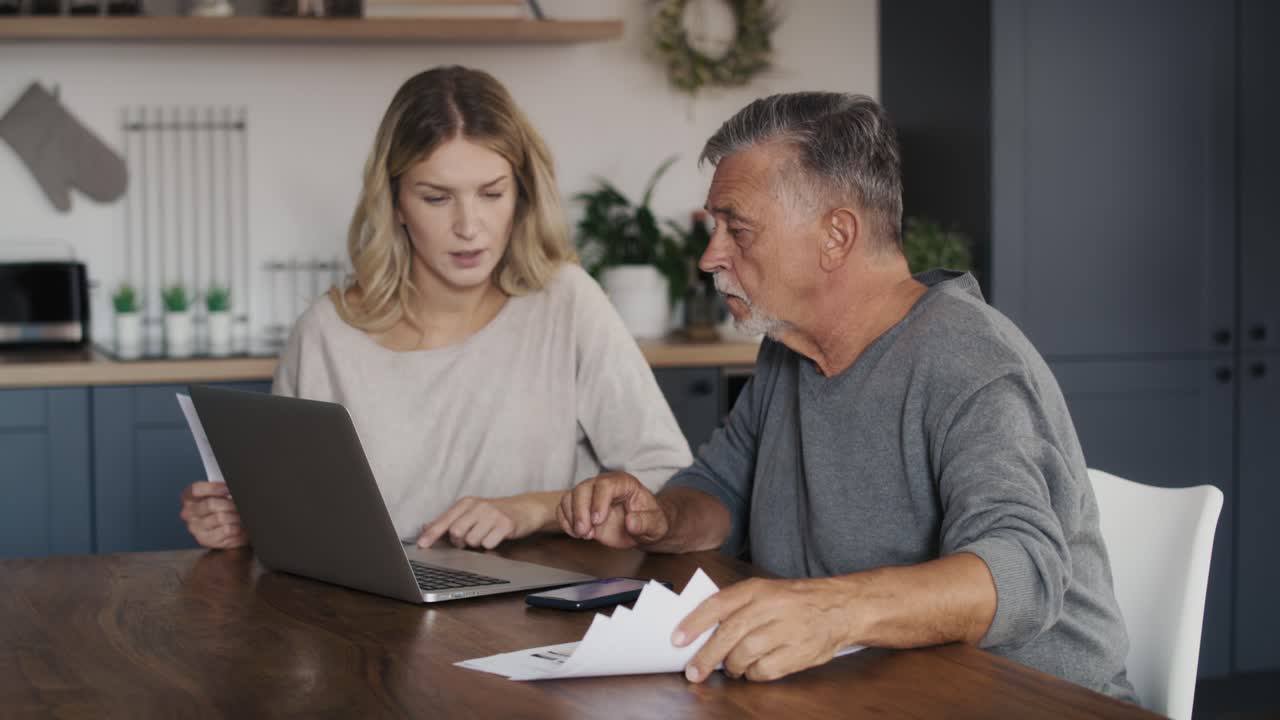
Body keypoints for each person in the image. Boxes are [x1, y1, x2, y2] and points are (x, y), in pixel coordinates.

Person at [558, 92, 1137, 702]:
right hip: (864, 691)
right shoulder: (787, 349)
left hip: (1027, 702)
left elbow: (1022, 571)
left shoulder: (970, 359)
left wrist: (833, 610)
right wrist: (662, 518)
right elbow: (722, 489)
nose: (710, 257)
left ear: (836, 236)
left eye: (738, 229)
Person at [180, 66, 691, 552]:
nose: (468, 226)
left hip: (536, 601)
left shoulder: (566, 303)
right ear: (396, 202)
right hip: (369, 607)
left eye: (491, 193)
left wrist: (535, 510)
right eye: (436, 198)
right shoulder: (325, 335)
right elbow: (296, 517)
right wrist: (245, 523)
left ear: (521, 195)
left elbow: (667, 481)